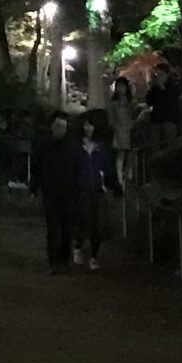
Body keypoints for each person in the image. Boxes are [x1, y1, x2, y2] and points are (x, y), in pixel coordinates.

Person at [36, 111, 86, 267]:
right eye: (58, 126)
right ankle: (54, 262)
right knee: (53, 229)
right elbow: (38, 168)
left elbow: (80, 169)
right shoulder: (44, 145)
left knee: (66, 230)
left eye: (63, 126)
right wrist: (35, 186)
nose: (60, 129)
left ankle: (64, 260)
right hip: (50, 194)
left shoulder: (73, 146)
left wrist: (79, 189)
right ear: (52, 126)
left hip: (69, 195)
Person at [77, 112, 114, 266]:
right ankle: (78, 246)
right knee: (84, 222)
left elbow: (108, 167)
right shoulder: (78, 146)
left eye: (90, 125)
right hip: (82, 190)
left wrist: (110, 184)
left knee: (98, 225)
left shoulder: (101, 148)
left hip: (98, 191)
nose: (88, 128)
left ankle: (94, 256)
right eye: (85, 125)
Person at [107, 73, 139, 190]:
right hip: (119, 130)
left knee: (131, 152)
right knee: (121, 154)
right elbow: (111, 118)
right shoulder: (113, 103)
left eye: (123, 86)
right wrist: (115, 127)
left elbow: (135, 112)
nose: (120, 89)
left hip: (130, 129)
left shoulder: (131, 101)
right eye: (118, 87)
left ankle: (129, 175)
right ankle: (120, 179)